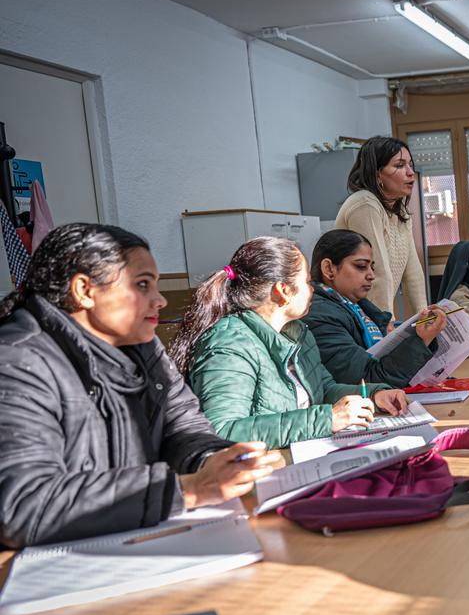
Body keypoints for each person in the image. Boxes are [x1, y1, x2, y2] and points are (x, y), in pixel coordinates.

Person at [0, 223, 284, 548]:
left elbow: (184, 429)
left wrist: (218, 461)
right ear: (85, 291)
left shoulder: (142, 348)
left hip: (131, 536)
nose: (160, 300)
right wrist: (189, 490)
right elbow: (23, 506)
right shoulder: (17, 361)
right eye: (143, 285)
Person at [168, 237, 410, 451]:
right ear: (282, 290)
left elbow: (323, 391)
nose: (312, 289)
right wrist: (327, 420)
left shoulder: (298, 332)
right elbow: (223, 430)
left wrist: (375, 395)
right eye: (306, 282)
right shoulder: (228, 345)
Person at [304, 229, 448, 387]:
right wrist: (420, 341)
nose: (371, 275)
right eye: (361, 266)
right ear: (329, 269)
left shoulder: (359, 307)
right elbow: (368, 381)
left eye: (372, 267)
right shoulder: (319, 314)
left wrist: (422, 334)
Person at [334, 136, 428, 317]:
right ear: (377, 174)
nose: (410, 172)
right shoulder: (365, 204)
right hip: (350, 315)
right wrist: (386, 324)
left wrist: (424, 315)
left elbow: (413, 272)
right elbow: (377, 273)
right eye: (399, 165)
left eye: (410, 164)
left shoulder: (400, 210)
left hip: (370, 312)